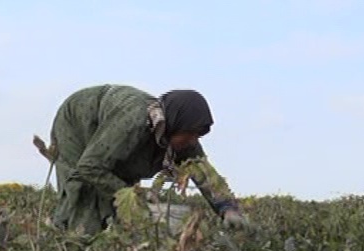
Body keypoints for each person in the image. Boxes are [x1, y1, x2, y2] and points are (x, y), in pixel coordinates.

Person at [35, 85, 247, 235]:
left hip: (111, 139)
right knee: (84, 197)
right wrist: (138, 200)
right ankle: (65, 241)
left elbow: (205, 174)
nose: (192, 140)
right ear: (174, 123)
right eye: (190, 134)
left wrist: (228, 209)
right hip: (77, 125)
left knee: (121, 203)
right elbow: (90, 167)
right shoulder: (134, 122)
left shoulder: (184, 137)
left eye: (197, 136)